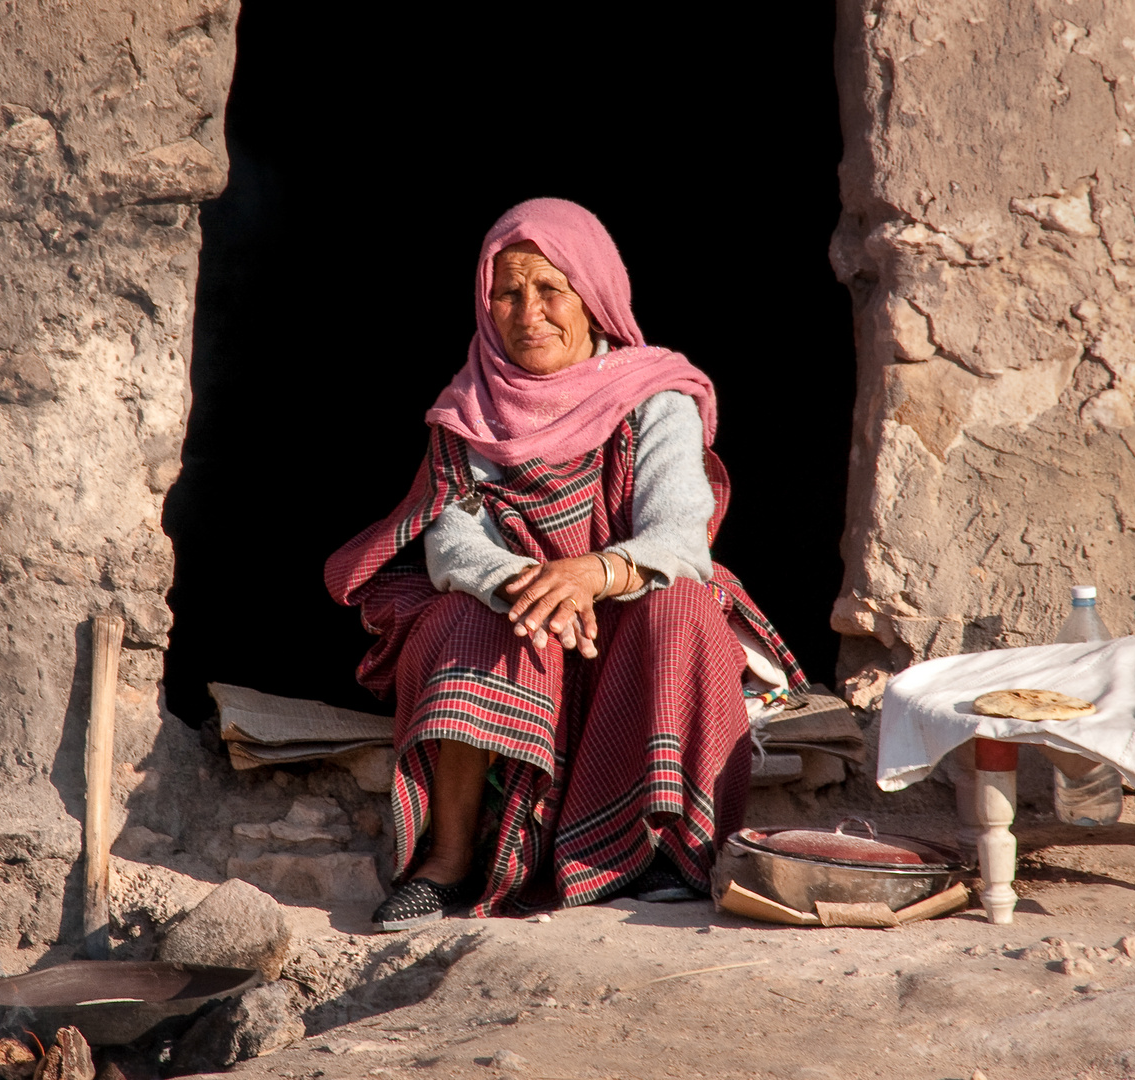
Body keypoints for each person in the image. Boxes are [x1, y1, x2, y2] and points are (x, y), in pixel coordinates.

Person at [324, 198, 807, 931]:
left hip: (620, 620)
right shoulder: (469, 410)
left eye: (551, 289)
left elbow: (680, 536)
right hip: (525, 617)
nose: (529, 312)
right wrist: (529, 586)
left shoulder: (654, 397)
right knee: (459, 617)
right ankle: (450, 862)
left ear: (594, 296)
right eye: (507, 293)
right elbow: (452, 544)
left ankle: (664, 849)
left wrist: (588, 575)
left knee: (681, 604)